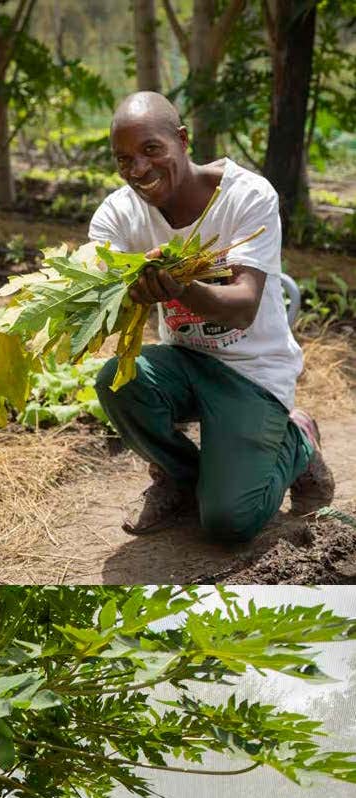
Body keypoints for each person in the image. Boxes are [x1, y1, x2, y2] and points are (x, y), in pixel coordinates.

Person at [88, 92, 334, 541]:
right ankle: (181, 478)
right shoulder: (118, 214)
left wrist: (182, 287)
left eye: (151, 150)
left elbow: (242, 306)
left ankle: (298, 439)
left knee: (228, 525)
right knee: (116, 380)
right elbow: (101, 292)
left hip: (253, 374)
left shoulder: (247, 196)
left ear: (182, 140)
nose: (138, 170)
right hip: (187, 360)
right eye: (123, 159)